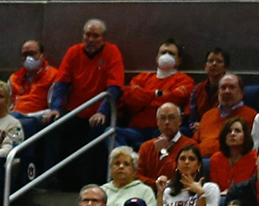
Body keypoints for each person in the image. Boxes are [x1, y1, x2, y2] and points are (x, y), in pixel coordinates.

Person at [47, 19, 126, 188]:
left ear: (103, 38)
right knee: (54, 127)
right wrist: (55, 109)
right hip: (77, 111)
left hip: (101, 112)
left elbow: (114, 88)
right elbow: (61, 83)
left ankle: (90, 183)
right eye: (87, 35)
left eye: (95, 36)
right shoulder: (74, 52)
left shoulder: (112, 52)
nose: (90, 39)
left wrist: (102, 112)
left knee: (97, 133)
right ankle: (58, 180)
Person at [138, 103, 198, 188]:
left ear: (180, 121)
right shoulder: (146, 147)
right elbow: (136, 176)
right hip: (149, 193)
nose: (167, 122)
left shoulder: (190, 146)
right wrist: (156, 184)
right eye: (163, 118)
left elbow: (183, 176)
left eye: (171, 118)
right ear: (157, 122)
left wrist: (163, 153)